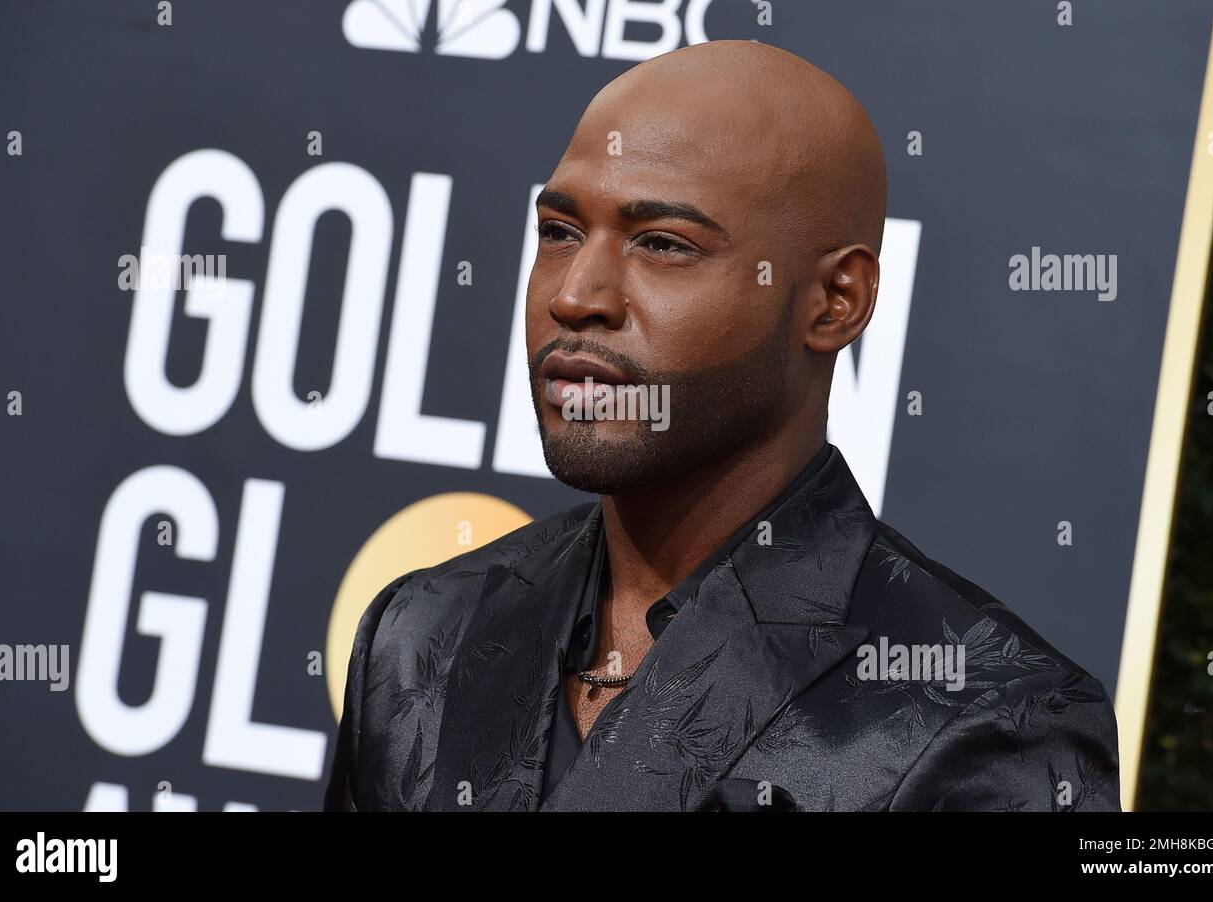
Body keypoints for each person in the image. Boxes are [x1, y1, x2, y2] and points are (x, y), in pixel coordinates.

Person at [324, 39, 1120, 812]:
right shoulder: (422, 630)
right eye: (560, 232)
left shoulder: (990, 720)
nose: (576, 295)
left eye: (663, 244)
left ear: (835, 301)